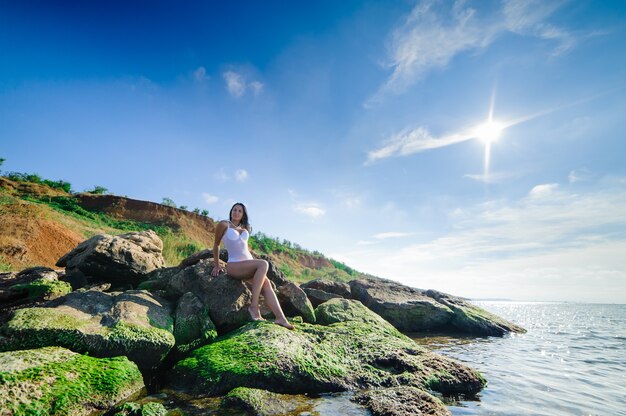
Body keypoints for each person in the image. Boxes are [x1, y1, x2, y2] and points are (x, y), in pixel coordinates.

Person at [211, 202, 294, 330]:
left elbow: (244, 249)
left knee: (267, 284)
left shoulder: (246, 228)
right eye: (234, 210)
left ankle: (281, 318)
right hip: (234, 265)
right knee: (263, 263)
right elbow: (216, 245)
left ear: (243, 214)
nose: (236, 212)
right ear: (231, 211)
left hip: (247, 265)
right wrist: (216, 265)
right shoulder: (224, 224)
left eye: (240, 211)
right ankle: (254, 306)